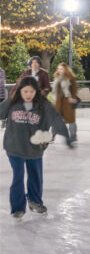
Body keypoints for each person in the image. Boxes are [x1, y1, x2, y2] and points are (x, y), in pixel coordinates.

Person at [2, 77, 71, 218]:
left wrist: (64, 134)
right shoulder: (13, 103)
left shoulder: (43, 105)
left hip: (35, 148)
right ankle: (17, 208)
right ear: (20, 91)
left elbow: (56, 118)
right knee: (18, 177)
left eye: (31, 91)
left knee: (35, 175)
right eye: (25, 91)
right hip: (14, 147)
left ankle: (35, 201)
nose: (28, 94)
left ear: (36, 92)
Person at [51, 62, 79, 142]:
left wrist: (72, 98)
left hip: (68, 102)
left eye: (61, 69)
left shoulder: (71, 78)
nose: (59, 70)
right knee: (55, 120)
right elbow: (54, 90)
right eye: (58, 69)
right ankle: (53, 136)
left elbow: (74, 89)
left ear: (65, 69)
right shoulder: (57, 78)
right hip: (58, 102)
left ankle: (73, 136)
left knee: (70, 120)